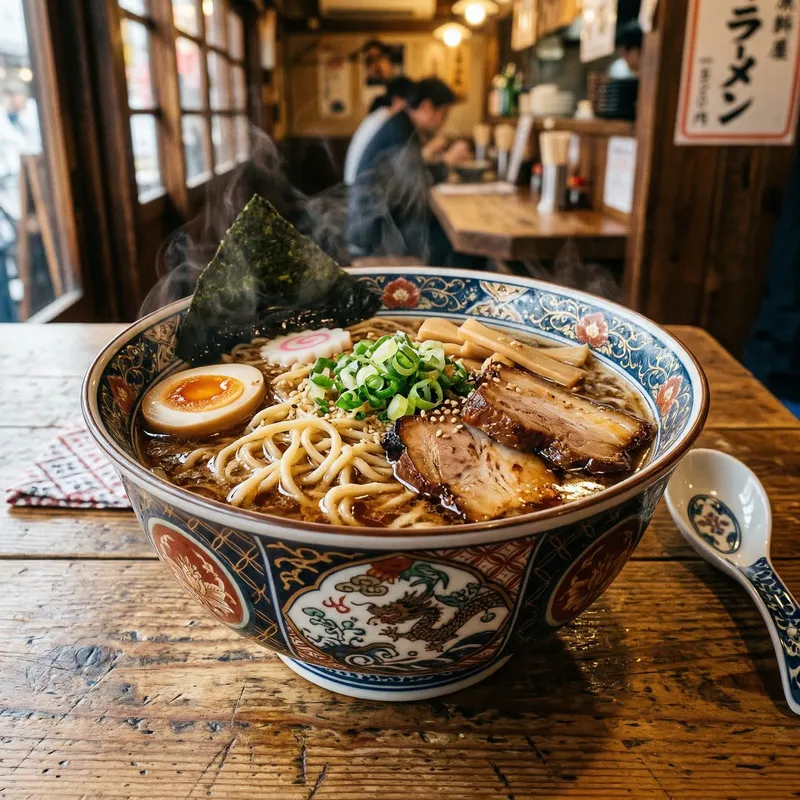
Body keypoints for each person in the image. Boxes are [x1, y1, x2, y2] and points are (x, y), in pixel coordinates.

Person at [348, 77, 482, 268]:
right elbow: (414, 185)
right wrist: (447, 162)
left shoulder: (399, 124)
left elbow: (408, 176)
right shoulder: (398, 131)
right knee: (456, 247)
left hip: (381, 220)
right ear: (426, 107)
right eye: (444, 113)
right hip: (376, 233)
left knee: (444, 235)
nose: (444, 121)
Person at [344, 76, 415, 186]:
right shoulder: (388, 122)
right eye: (411, 103)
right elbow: (404, 166)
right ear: (396, 100)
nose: (413, 109)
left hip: (354, 184)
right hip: (359, 188)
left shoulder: (380, 115)